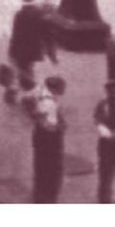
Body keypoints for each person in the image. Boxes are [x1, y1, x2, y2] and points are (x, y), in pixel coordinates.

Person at [6, 0, 58, 100]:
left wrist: (11, 50)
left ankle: (26, 92)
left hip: (20, 48)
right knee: (28, 68)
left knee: (22, 69)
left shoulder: (19, 14)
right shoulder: (39, 14)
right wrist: (51, 53)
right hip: (34, 48)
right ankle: (28, 91)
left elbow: (16, 35)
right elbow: (46, 35)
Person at [28, 75, 68, 203]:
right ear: (56, 88)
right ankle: (48, 199)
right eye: (63, 87)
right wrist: (60, 126)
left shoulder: (44, 96)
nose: (64, 90)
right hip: (50, 141)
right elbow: (47, 125)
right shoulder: (48, 102)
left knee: (42, 170)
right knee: (52, 172)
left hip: (42, 139)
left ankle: (41, 196)